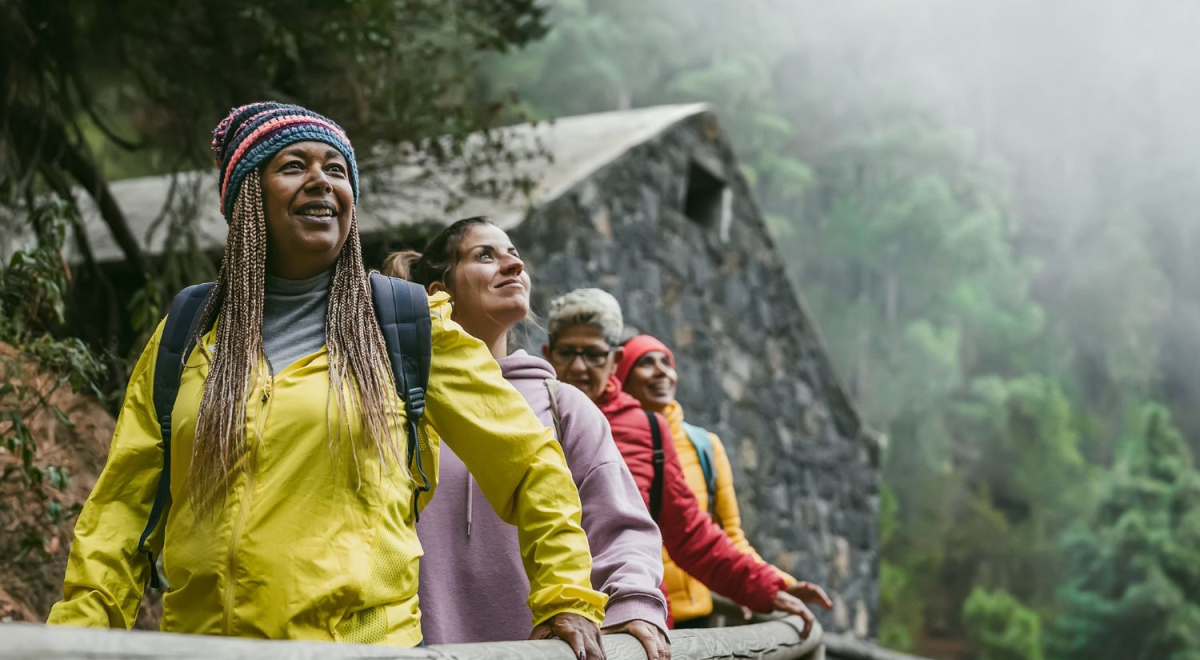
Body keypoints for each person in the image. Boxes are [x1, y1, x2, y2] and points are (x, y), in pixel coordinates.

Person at [46, 103, 607, 654]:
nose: (320, 181)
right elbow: (122, 510)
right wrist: (72, 638)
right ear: (248, 197)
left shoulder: (404, 325)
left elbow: (531, 462)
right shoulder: (189, 334)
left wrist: (564, 597)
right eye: (293, 166)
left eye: (336, 170)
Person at [382, 217, 670, 660]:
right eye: (485, 255)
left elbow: (621, 526)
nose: (513, 266)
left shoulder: (562, 405)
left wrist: (633, 604)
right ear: (440, 291)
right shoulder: (398, 399)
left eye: (515, 254)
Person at [544, 289, 833, 637]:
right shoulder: (526, 413)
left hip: (631, 626)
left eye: (592, 354)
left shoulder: (648, 429)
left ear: (614, 359)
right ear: (547, 354)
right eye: (567, 353)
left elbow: (693, 535)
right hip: (544, 619)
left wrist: (769, 588)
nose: (578, 366)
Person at [617, 334, 797, 628]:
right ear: (621, 374)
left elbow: (729, 536)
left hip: (698, 617)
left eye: (667, 362)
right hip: (638, 614)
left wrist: (778, 585)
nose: (662, 371)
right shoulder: (607, 438)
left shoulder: (704, 445)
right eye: (646, 363)